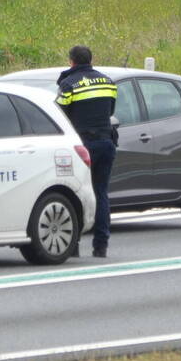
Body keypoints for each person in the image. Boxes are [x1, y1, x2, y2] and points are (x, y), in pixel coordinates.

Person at [56, 45, 117, 258]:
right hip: (106, 143)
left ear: (72, 61)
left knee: (75, 193)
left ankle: (73, 246)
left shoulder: (69, 84)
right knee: (101, 193)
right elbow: (110, 111)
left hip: (82, 147)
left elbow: (59, 115)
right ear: (91, 60)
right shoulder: (108, 82)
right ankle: (101, 246)